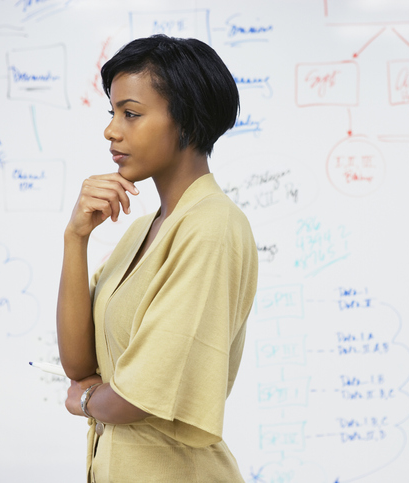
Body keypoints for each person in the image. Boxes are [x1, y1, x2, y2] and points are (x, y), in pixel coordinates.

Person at [56, 34, 258, 482]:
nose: (111, 130)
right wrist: (76, 238)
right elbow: (78, 365)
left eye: (131, 113)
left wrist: (86, 401)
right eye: (113, 113)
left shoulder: (211, 227)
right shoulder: (140, 230)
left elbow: (137, 397)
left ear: (186, 119)